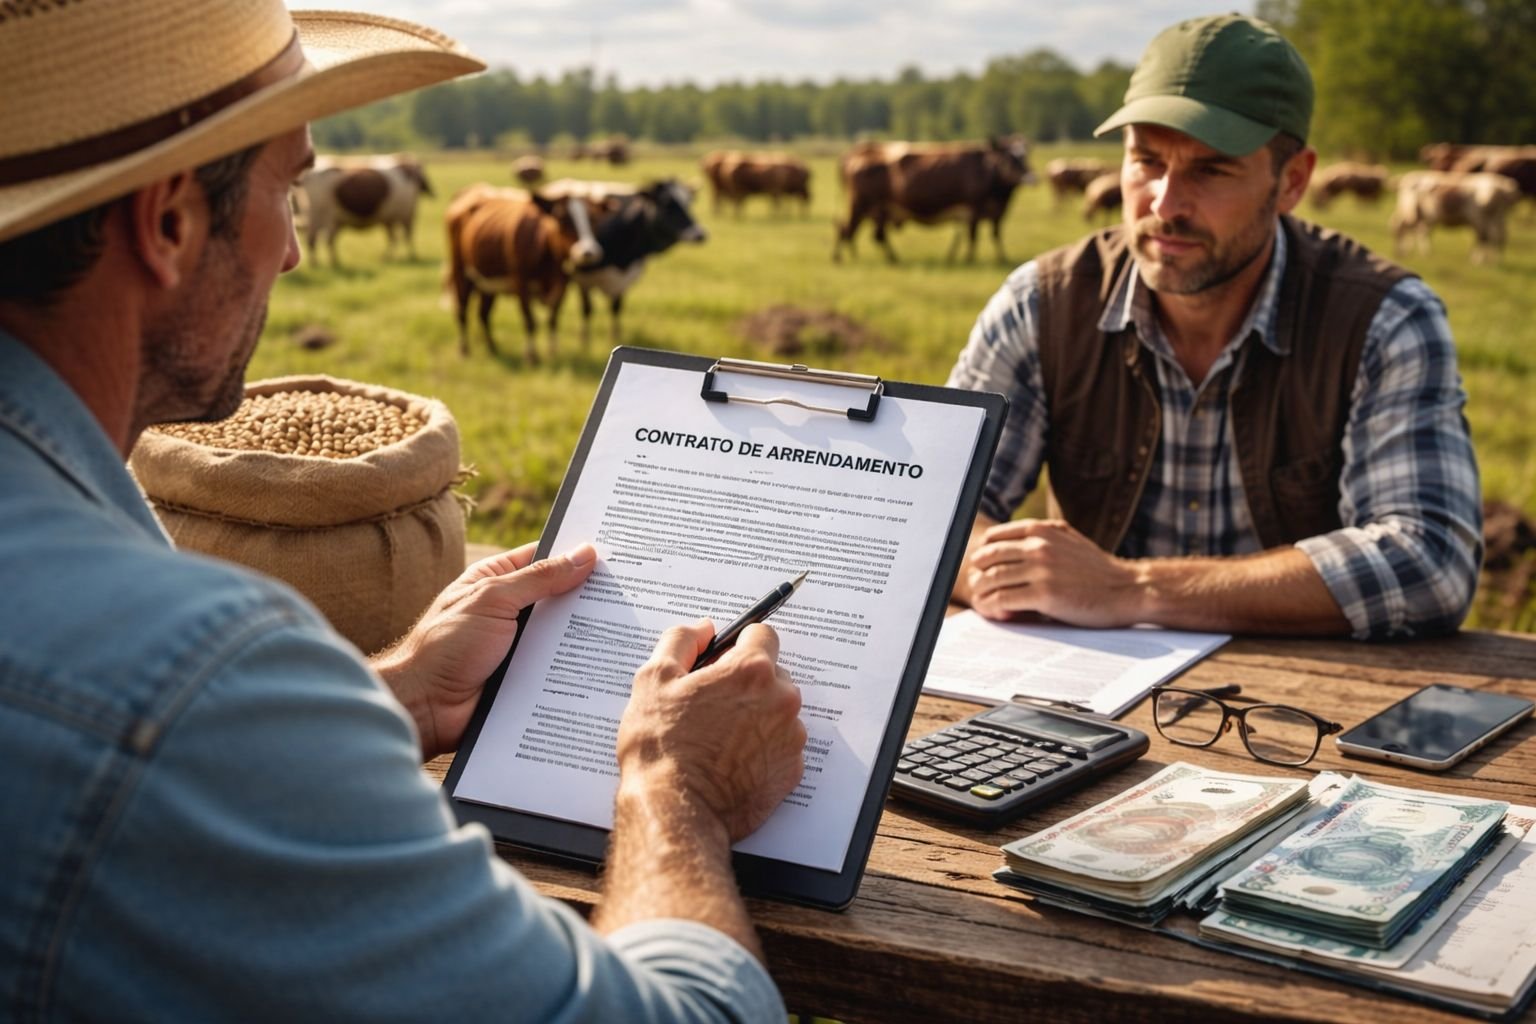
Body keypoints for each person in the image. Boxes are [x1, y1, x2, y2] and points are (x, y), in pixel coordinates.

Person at [0, 3, 805, 1020]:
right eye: (288, 185)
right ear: (167, 223)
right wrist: (672, 789)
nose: (293, 251)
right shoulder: (185, 672)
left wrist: (394, 694)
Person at [946, 13, 1482, 640]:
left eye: (1211, 170)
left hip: (1296, 713)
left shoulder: (1383, 319)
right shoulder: (1043, 304)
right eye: (1146, 161)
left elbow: (1429, 560)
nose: (1165, 205)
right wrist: (996, 571)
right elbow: (934, 509)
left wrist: (1130, 588)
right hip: (1083, 702)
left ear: (1294, 182)